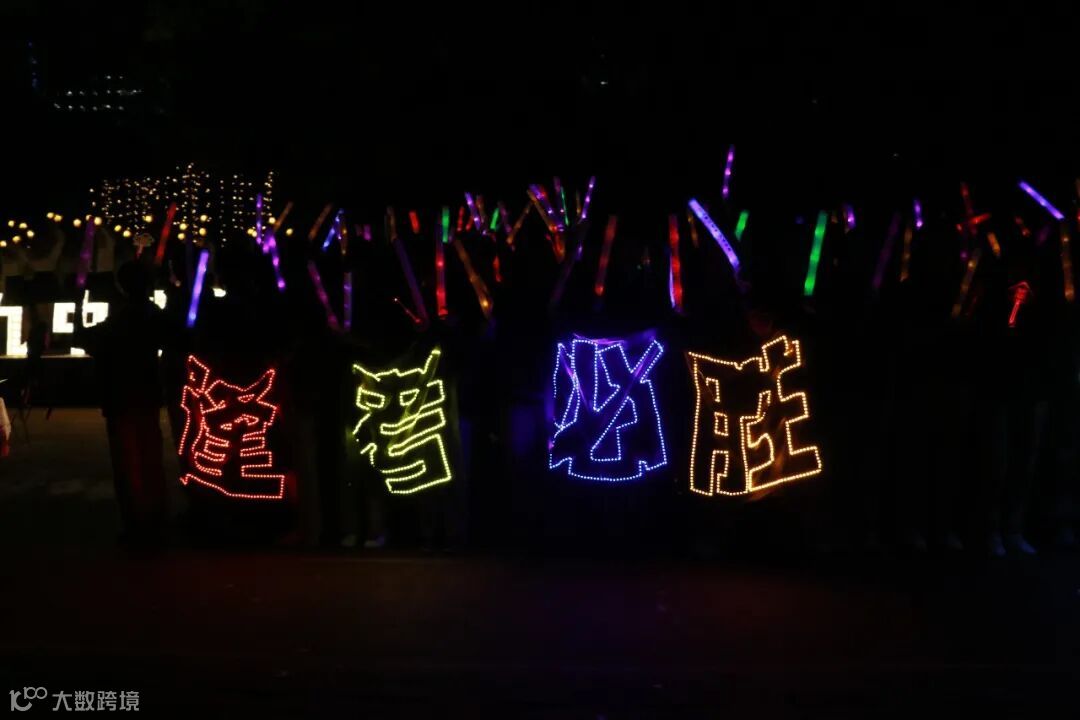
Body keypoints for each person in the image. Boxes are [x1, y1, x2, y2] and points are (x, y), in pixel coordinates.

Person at [74, 261, 170, 545]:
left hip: (122, 396)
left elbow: (87, 339)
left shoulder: (124, 317)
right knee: (149, 458)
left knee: (129, 462)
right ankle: (154, 517)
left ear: (122, 286)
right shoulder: (151, 313)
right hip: (146, 394)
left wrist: (78, 309)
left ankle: (139, 523)